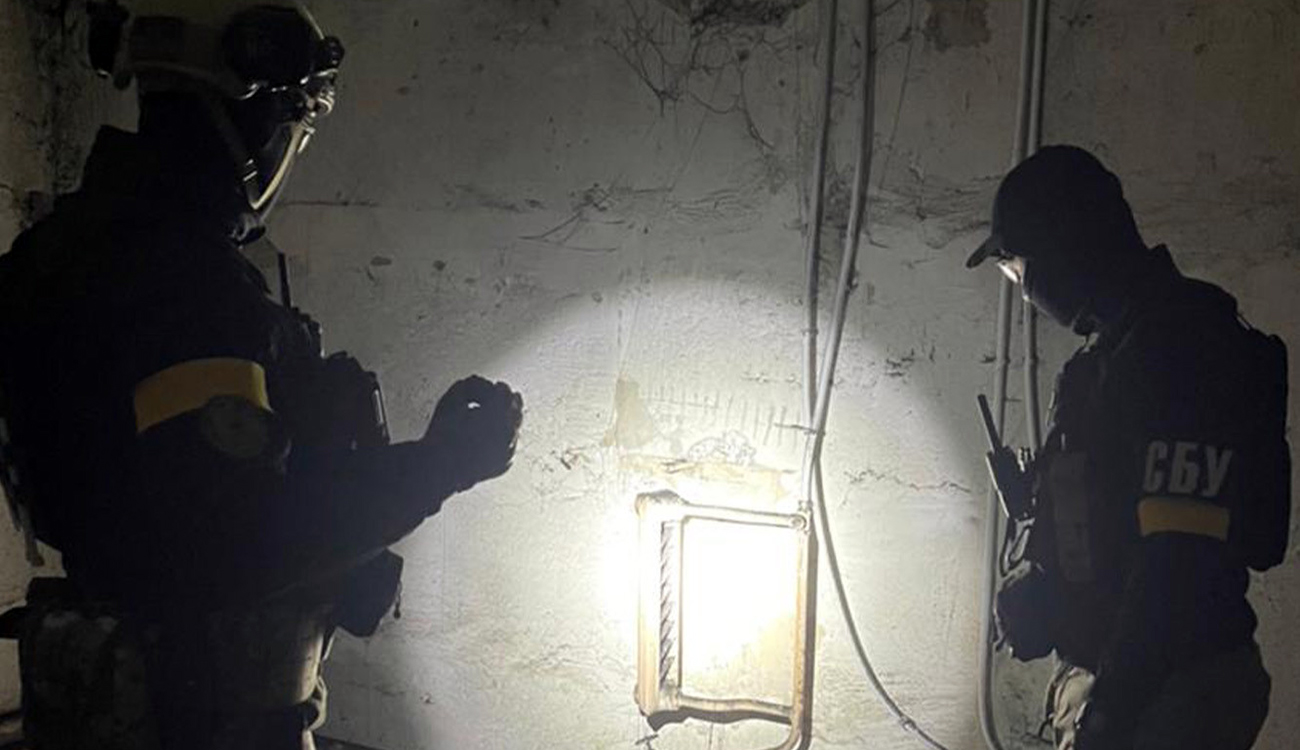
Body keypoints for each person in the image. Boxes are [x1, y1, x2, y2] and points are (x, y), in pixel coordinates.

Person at [0, 2, 523, 748]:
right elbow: (236, 541)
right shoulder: (186, 285)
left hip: (101, 705)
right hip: (196, 715)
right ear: (262, 115)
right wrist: (439, 465)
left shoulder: (56, 252)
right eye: (294, 119)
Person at [969, 146, 1289, 750]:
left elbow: (1178, 560)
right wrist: (1047, 596)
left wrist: (1110, 716)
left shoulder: (1180, 344)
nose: (1024, 292)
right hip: (1132, 680)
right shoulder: (1113, 356)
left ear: (1059, 251)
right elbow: (1115, 529)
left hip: (1168, 690)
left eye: (1016, 269)